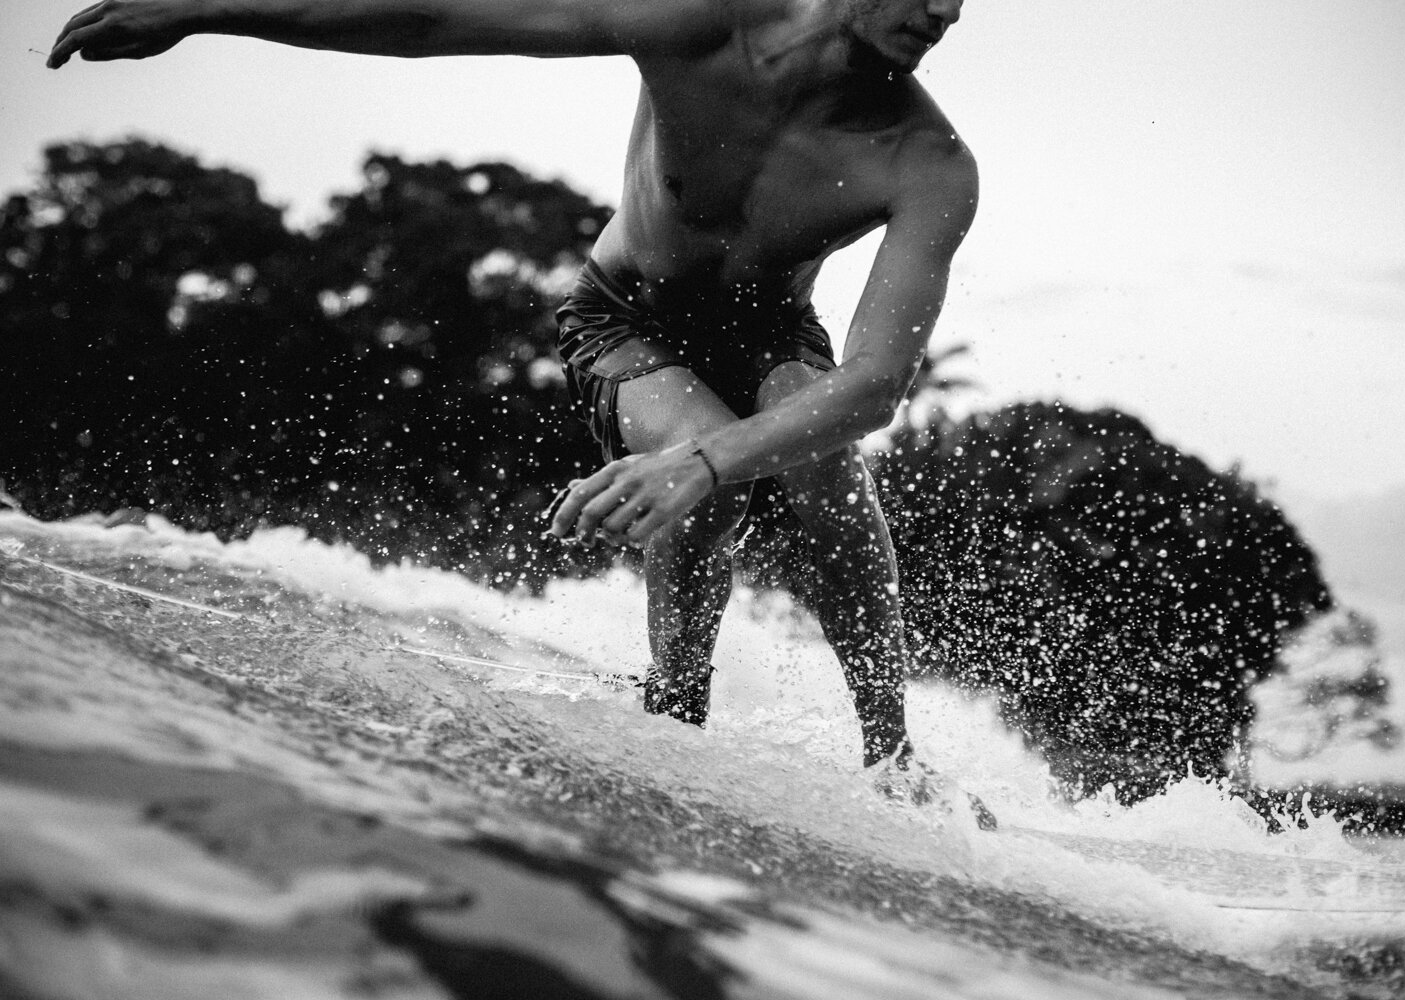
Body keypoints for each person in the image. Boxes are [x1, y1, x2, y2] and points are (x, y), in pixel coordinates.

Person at [50, 0, 975, 796]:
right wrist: (205, 8)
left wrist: (702, 458)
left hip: (775, 336)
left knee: (831, 480)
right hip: (626, 319)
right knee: (714, 484)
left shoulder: (926, 162)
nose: (947, 13)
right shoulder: (696, 21)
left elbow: (874, 384)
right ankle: (675, 715)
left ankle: (892, 759)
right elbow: (440, 16)